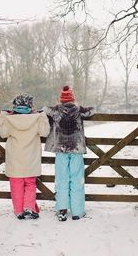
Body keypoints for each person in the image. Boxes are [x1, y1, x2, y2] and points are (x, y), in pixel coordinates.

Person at [44, 86, 94, 221]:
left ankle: (62, 210)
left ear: (61, 99)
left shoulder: (55, 110)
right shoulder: (79, 110)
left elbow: (45, 109)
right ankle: (77, 211)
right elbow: (92, 111)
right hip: (76, 148)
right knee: (77, 179)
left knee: (61, 179)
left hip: (60, 149)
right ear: (72, 98)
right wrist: (78, 106)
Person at [0, 93, 50, 219]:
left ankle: (19, 211)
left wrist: (3, 116)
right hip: (31, 157)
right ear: (31, 106)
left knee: (16, 184)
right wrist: (42, 115)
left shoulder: (10, 119)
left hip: (15, 158)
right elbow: (45, 132)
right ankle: (29, 207)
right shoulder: (36, 118)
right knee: (30, 184)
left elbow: (3, 134)